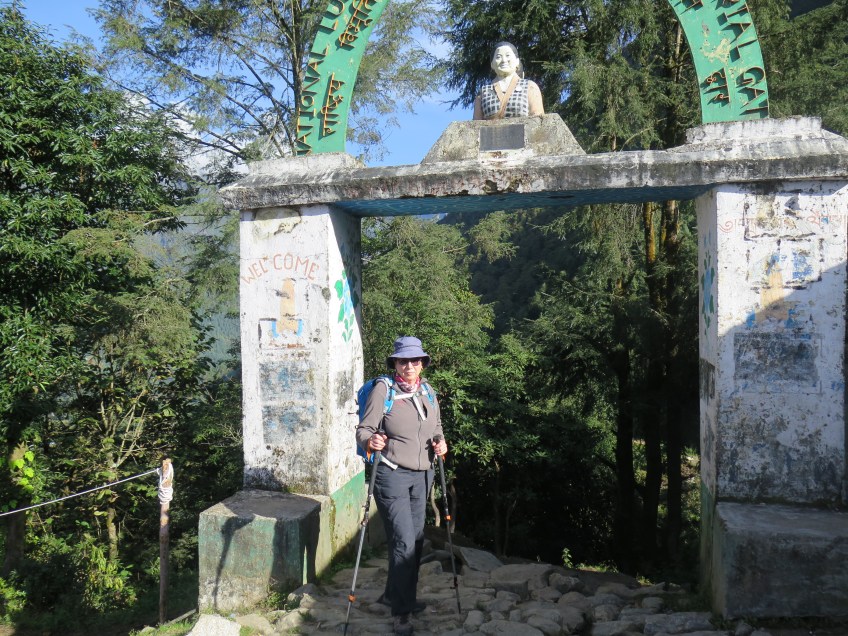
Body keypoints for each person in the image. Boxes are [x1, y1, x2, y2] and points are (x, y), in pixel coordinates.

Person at [356, 336, 448, 636]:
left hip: (422, 476)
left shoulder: (428, 391)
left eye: (416, 360)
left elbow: (435, 427)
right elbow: (364, 430)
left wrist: (440, 442)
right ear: (395, 363)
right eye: (404, 360)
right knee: (404, 543)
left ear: (422, 363)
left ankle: (393, 594)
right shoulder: (384, 390)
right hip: (391, 475)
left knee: (416, 540)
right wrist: (371, 440)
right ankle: (402, 612)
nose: (410, 365)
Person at [473, 41, 544, 120]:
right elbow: (476, 126)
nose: (504, 60)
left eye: (508, 55)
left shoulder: (529, 86)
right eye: (498, 57)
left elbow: (538, 121)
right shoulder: (483, 92)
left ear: (517, 61)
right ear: (492, 64)